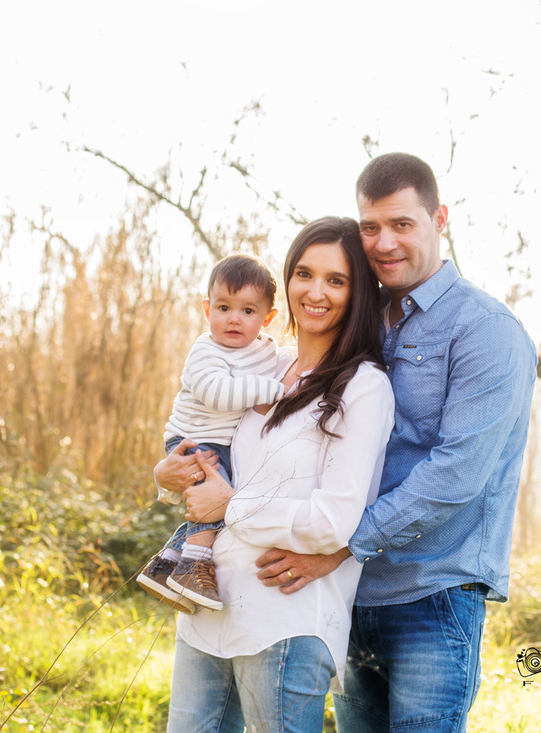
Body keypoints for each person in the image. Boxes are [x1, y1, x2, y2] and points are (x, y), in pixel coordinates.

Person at [255, 153, 538, 732]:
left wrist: (339, 545)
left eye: (402, 224)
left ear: (440, 219)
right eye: (370, 226)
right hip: (353, 592)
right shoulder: (360, 320)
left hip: (433, 595)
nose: (383, 242)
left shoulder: (486, 331)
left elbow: (457, 473)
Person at [155, 216, 395, 733]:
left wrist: (230, 507)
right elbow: (203, 440)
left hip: (283, 621)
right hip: (208, 608)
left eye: (336, 280)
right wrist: (166, 474)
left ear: (359, 294)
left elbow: (334, 520)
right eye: (304, 273)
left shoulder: (364, 386)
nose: (316, 291)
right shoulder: (261, 364)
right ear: (285, 281)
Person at [136, 253, 284, 613]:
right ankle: (194, 567)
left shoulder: (268, 351)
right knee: (214, 502)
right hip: (193, 439)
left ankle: (166, 564)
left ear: (268, 318)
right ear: (207, 310)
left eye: (248, 311)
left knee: (218, 496)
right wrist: (271, 391)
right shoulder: (206, 350)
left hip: (220, 442)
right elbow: (216, 394)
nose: (234, 318)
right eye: (223, 307)